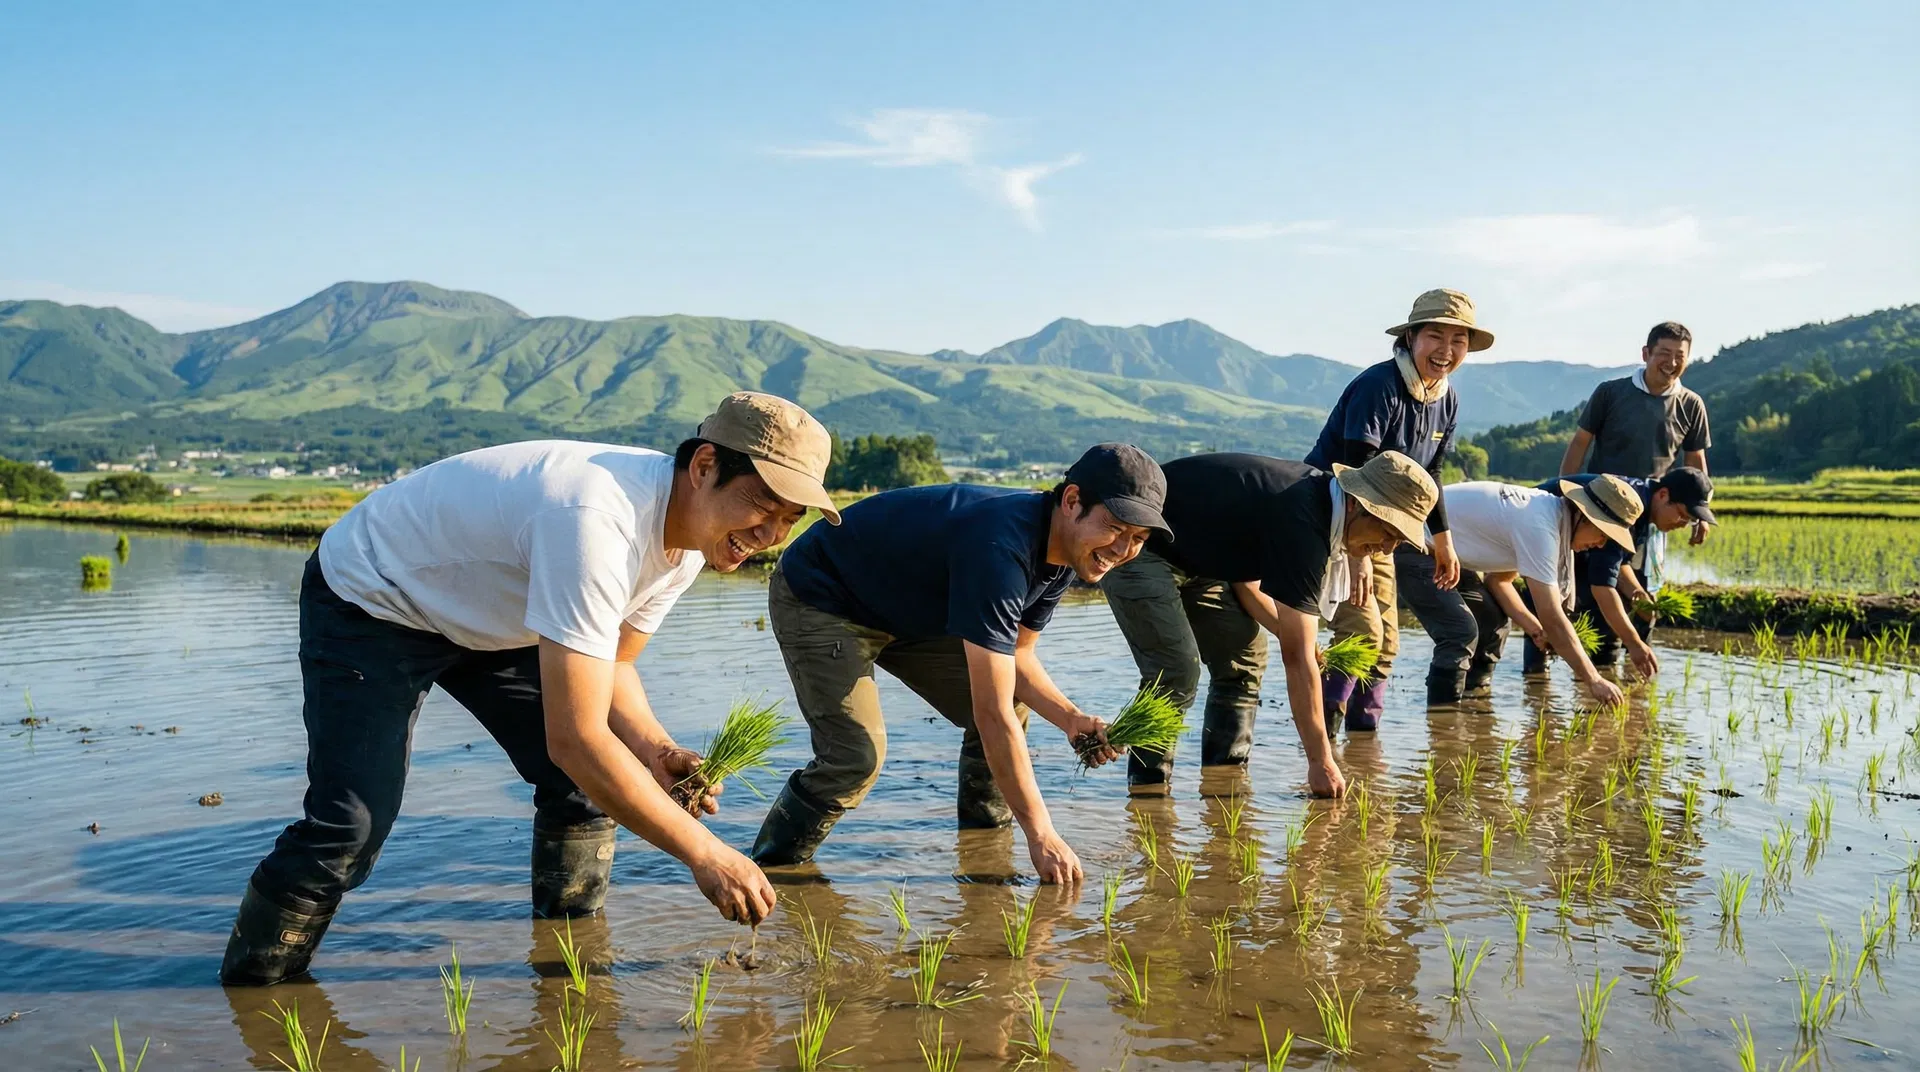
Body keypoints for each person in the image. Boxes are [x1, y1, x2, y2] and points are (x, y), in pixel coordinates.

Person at [220, 392, 838, 986]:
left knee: (584, 788)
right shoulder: (597, 520)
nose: (770, 534)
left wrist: (654, 750)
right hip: (374, 599)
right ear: (705, 467)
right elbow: (577, 737)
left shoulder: (692, 545)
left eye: (790, 518)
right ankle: (255, 995)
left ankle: (570, 969)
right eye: (763, 505)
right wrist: (707, 854)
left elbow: (614, 663)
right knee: (348, 826)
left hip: (493, 616)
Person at [750, 444, 1169, 884]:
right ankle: (772, 871)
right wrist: (1042, 832)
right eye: (1115, 528)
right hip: (824, 595)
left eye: (1138, 539)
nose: (1122, 548)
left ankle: (984, 858)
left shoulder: (1067, 553)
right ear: (1071, 501)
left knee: (1011, 703)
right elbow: (992, 714)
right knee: (855, 756)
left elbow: (1019, 656)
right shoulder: (1001, 548)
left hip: (908, 609)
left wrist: (1070, 718)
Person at [1100, 451, 1440, 799]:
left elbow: (1243, 579)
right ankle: (1148, 793)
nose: (1386, 548)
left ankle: (1225, 786)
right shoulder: (1305, 519)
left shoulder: (1320, 507)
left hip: (1203, 563)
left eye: (1397, 541)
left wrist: (1294, 639)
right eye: (1388, 531)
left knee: (1245, 660)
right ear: (1358, 504)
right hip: (1140, 546)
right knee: (1177, 669)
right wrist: (1320, 760)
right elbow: (1295, 659)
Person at [1304, 288, 1491, 733]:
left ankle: (1364, 742)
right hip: (1333, 521)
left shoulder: (1446, 398)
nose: (1446, 351)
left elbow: (1433, 473)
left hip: (1382, 527)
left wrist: (1443, 542)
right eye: (1435, 336)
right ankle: (1322, 740)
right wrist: (1355, 556)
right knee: (1361, 631)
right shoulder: (1380, 385)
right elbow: (1353, 469)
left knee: (1386, 640)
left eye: (1459, 340)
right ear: (1410, 337)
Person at [1401, 475, 1643, 708]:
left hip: (1450, 558)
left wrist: (1536, 631)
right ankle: (1444, 722)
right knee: (1461, 631)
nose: (1600, 544)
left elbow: (1499, 582)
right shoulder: (1541, 525)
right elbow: (1553, 618)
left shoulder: (1552, 516)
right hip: (1415, 546)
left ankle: (1473, 701)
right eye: (1602, 534)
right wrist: (1594, 679)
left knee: (1493, 620)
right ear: (1584, 515)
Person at [1522, 468, 1717, 678]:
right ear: (1663, 495)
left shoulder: (1642, 506)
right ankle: (1538, 685)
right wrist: (1633, 643)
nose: (1682, 524)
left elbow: (1617, 564)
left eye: (1690, 521)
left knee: (1586, 608)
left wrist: (1639, 595)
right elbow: (1602, 586)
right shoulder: (1623, 507)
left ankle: (1547, 682)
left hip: (1560, 543)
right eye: (1683, 515)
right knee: (1549, 614)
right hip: (1532, 528)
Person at [1559, 321, 1712, 539]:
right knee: (1597, 568)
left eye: (1680, 356)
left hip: (1653, 511)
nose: (1672, 362)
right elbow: (1580, 442)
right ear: (1646, 353)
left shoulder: (1691, 404)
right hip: (1601, 507)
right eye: (1664, 353)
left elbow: (1695, 461)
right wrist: (1565, 493)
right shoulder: (1610, 393)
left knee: (1642, 573)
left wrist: (1700, 513)